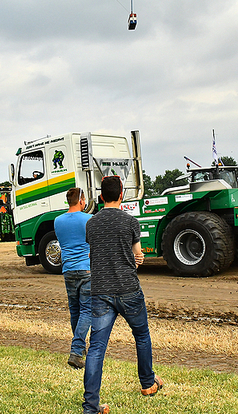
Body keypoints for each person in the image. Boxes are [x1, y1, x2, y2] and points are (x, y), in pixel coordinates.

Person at [82, 176, 162, 414]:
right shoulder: (130, 222)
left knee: (96, 347)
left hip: (101, 292)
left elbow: (93, 254)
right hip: (129, 289)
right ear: (121, 195)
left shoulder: (91, 224)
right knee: (142, 336)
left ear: (101, 196)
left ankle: (91, 406)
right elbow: (137, 255)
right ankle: (148, 383)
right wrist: (137, 260)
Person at [54, 187, 92, 369]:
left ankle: (80, 347)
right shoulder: (89, 219)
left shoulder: (57, 221)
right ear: (81, 201)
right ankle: (77, 350)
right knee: (87, 310)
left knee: (75, 309)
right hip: (86, 268)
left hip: (68, 269)